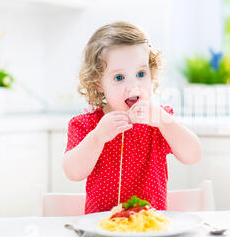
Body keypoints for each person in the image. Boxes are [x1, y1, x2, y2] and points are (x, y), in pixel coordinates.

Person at [62, 21, 202, 214]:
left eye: (141, 73)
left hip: (150, 228)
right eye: (119, 78)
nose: (133, 85)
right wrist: (97, 137)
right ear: (98, 83)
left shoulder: (159, 121)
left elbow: (193, 155)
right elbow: (73, 172)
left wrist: (165, 122)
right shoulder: (85, 125)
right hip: (102, 229)